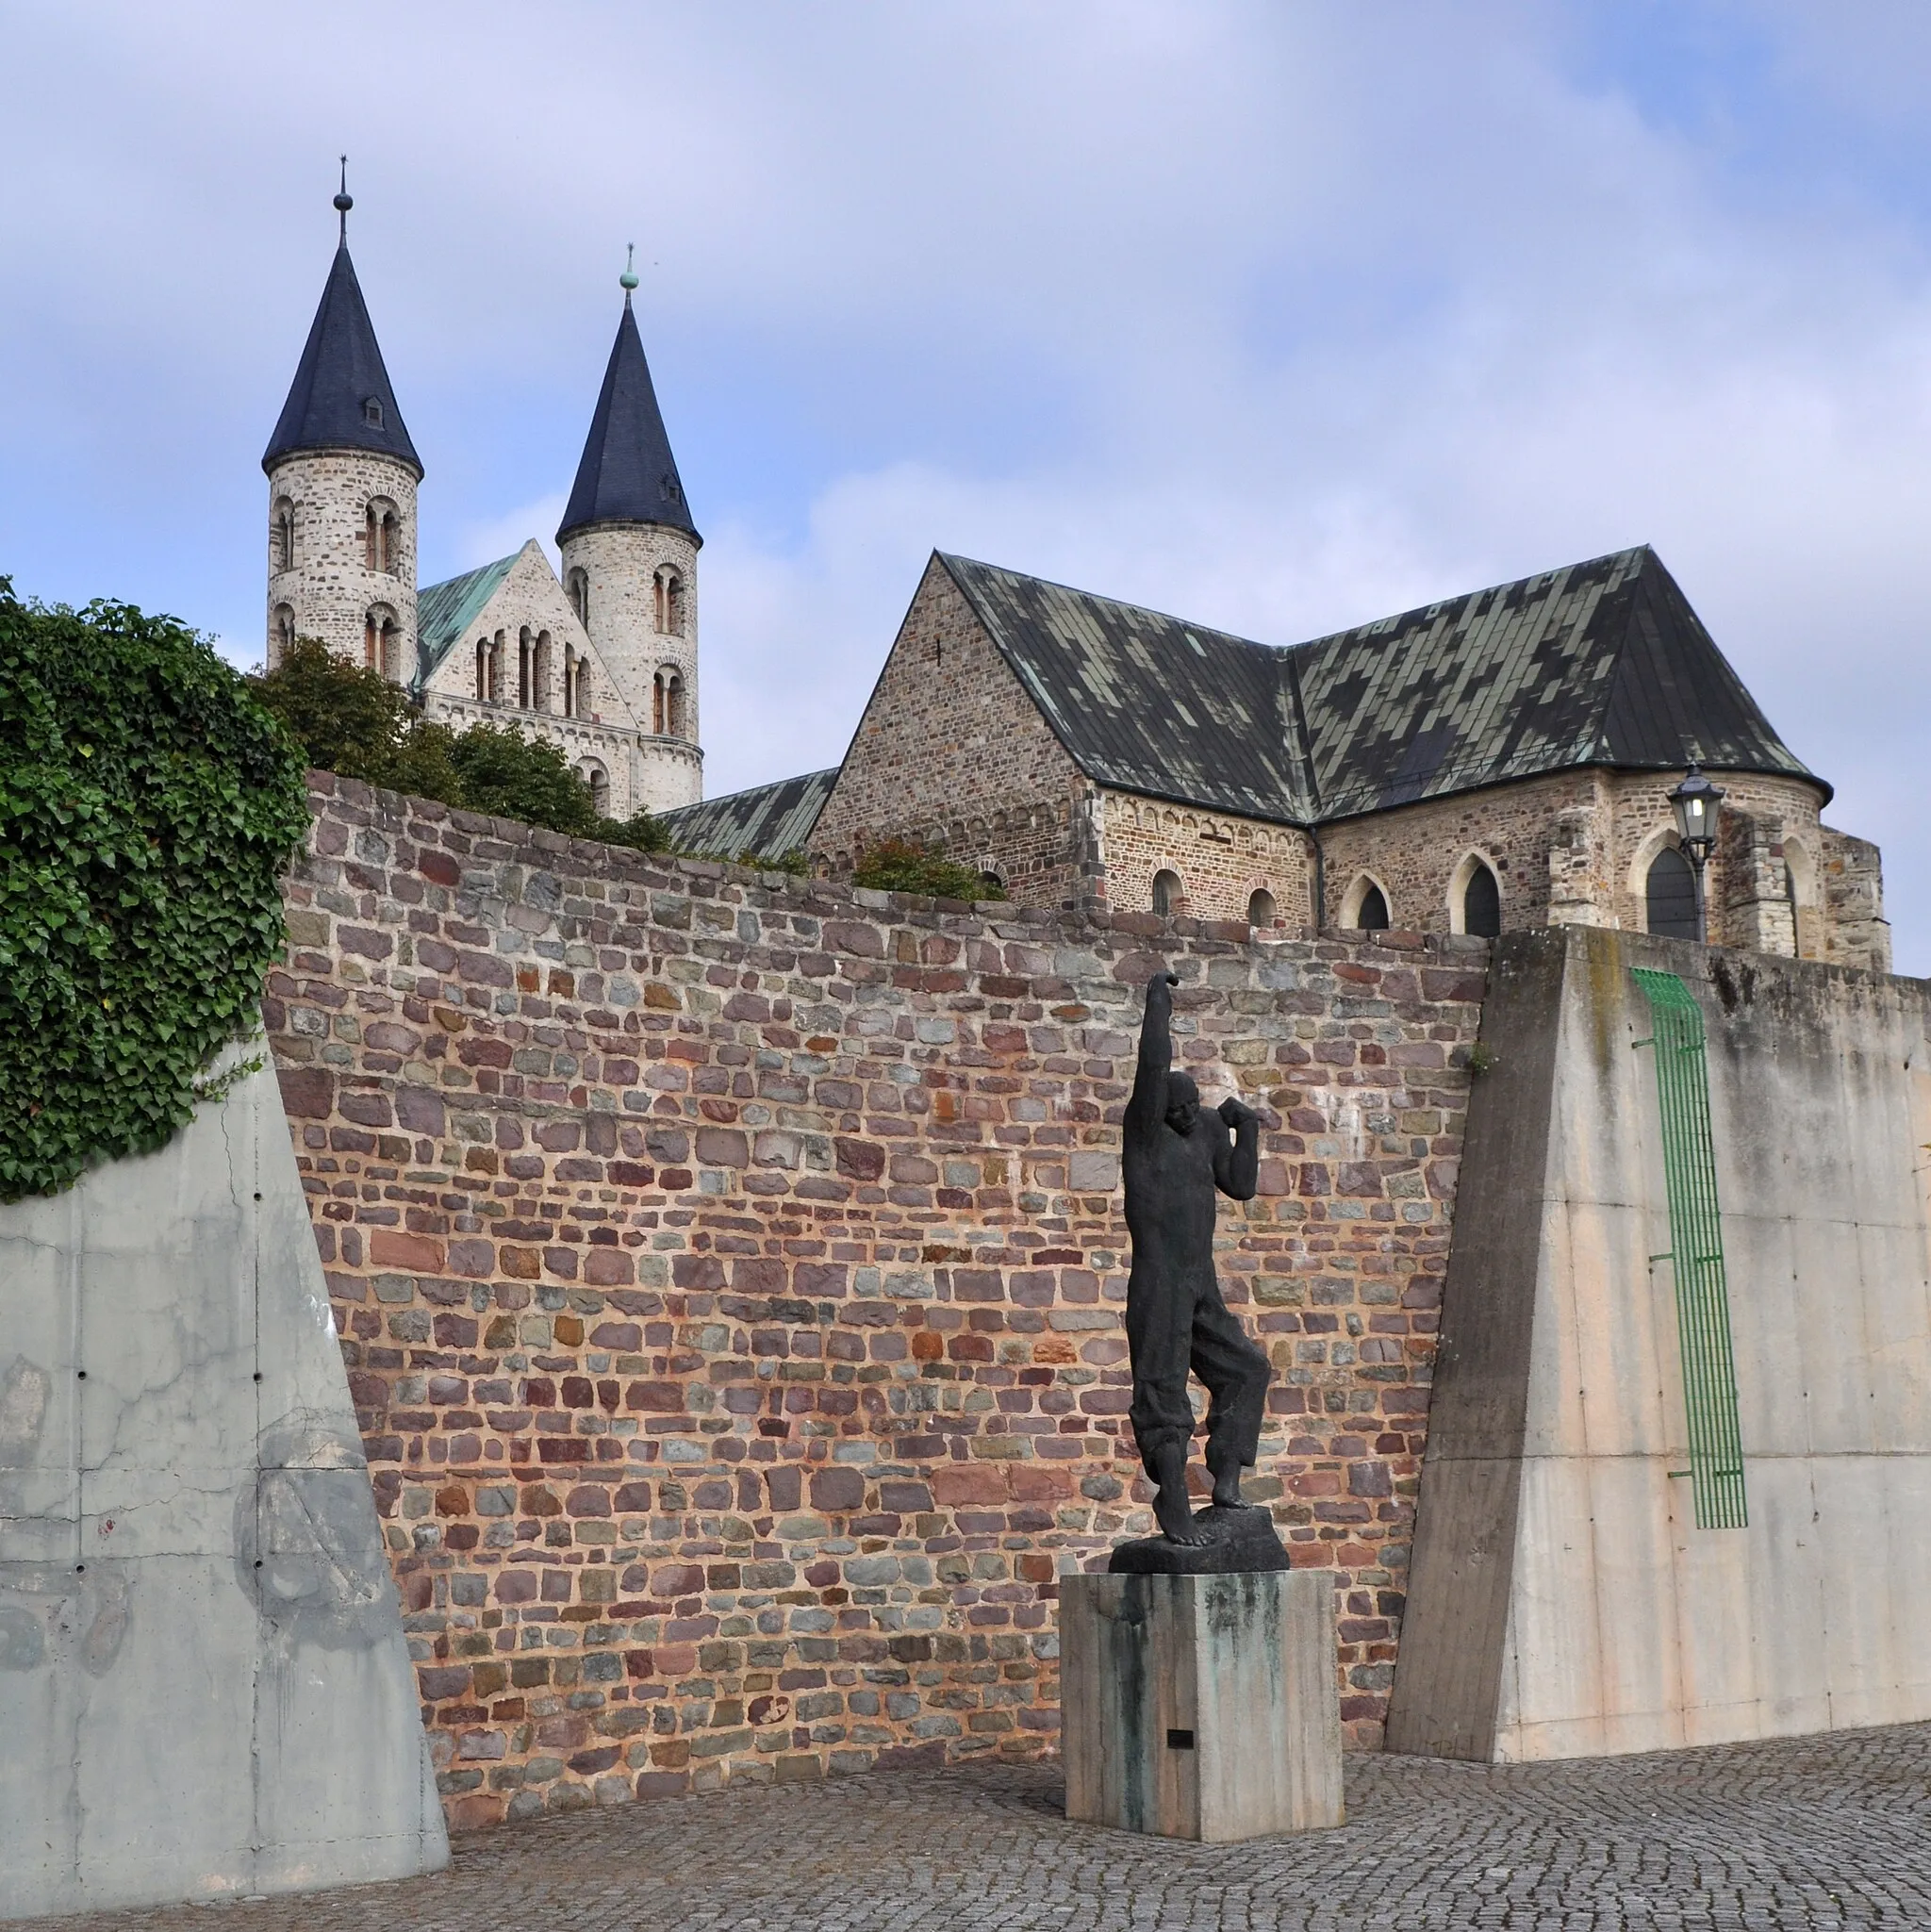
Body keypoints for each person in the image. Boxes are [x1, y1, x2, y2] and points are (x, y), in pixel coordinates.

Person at [1122, 970, 1271, 1544]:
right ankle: (1173, 1500)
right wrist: (1158, 1001)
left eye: (1191, 1109)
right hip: (1159, 1281)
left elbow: (1241, 1186)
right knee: (1163, 1390)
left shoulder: (1206, 1129)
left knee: (1247, 1369)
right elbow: (1153, 1068)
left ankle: (1227, 1480)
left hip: (1200, 1280)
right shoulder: (1145, 1133)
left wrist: (1248, 1130)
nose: (1184, 1116)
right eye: (1174, 1108)